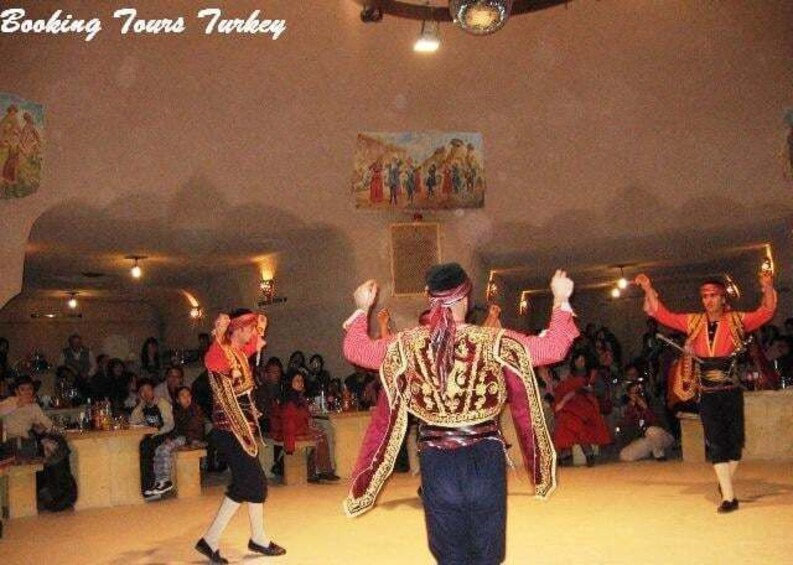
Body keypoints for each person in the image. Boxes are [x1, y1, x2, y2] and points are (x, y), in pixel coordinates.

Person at [341, 264, 578, 565]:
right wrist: (560, 301)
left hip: (436, 462)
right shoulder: (492, 341)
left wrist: (362, 308)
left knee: (450, 554)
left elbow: (357, 350)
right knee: (486, 552)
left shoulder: (407, 344)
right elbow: (555, 347)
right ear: (465, 297)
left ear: (431, 300)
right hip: (485, 458)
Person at [635, 272, 777, 513]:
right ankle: (729, 498)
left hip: (731, 391)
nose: (708, 300)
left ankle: (725, 484)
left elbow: (766, 312)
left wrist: (768, 287)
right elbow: (663, 315)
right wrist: (648, 288)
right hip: (708, 393)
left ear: (723, 298)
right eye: (704, 296)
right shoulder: (693, 321)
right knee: (716, 443)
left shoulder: (737, 320)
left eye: (713, 296)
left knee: (735, 445)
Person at [195, 310, 285, 563]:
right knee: (253, 483)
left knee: (250, 484)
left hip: (241, 429)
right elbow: (212, 359)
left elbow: (248, 351)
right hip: (228, 431)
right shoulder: (221, 353)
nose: (253, 333)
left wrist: (261, 331)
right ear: (239, 329)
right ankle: (216, 539)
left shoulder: (238, 354)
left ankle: (252, 538)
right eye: (251, 328)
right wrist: (219, 333)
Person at [270, 372, 338, 482]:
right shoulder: (288, 400)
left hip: (297, 429)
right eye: (297, 380)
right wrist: (290, 446)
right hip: (286, 433)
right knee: (319, 437)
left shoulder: (298, 398)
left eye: (301, 380)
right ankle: (318, 471)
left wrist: (311, 423)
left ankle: (316, 471)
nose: (301, 383)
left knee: (322, 433)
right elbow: (288, 424)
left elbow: (305, 415)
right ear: (289, 383)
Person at [148, 387, 206, 497]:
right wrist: (170, 437)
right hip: (182, 437)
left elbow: (194, 429)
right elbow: (176, 429)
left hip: (191, 439)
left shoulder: (195, 409)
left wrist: (188, 443)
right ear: (178, 400)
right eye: (183, 396)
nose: (186, 398)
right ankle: (159, 481)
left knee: (166, 449)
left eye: (188, 395)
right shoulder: (178, 411)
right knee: (159, 449)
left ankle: (165, 480)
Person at [129, 378, 174, 500]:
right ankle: (146, 487)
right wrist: (140, 404)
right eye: (142, 391)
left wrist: (156, 433)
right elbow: (132, 421)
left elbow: (169, 424)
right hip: (151, 436)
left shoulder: (161, 403)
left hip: (165, 434)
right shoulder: (142, 407)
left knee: (146, 449)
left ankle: (151, 487)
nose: (146, 393)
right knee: (140, 448)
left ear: (153, 391)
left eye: (148, 390)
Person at [618, 381, 674, 462]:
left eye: (638, 393)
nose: (636, 396)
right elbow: (626, 430)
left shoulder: (655, 402)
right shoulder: (628, 408)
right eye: (633, 394)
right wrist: (631, 409)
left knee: (652, 431)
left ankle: (659, 454)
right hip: (646, 440)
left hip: (663, 436)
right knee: (624, 455)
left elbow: (660, 423)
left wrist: (646, 408)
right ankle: (649, 452)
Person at [0, 376, 53, 457]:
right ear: (16, 391)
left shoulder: (34, 406)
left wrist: (42, 427)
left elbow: (48, 424)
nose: (27, 392)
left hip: (27, 442)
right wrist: (18, 404)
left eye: (29, 388)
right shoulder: (10, 401)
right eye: (23, 389)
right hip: (9, 442)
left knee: (54, 446)